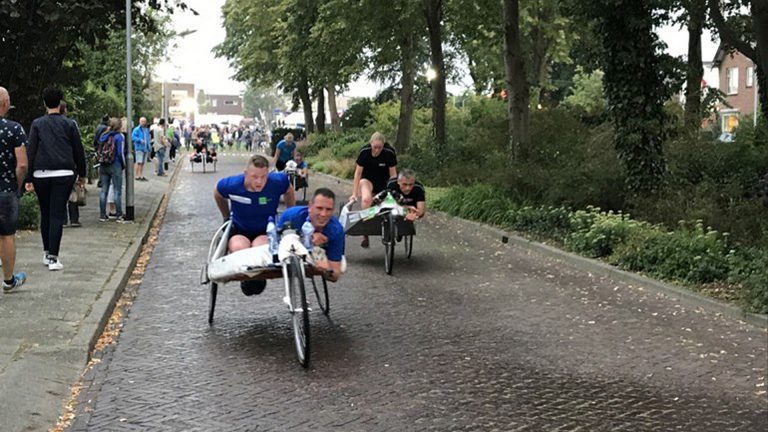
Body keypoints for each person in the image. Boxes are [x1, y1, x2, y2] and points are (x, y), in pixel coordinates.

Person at [214, 155, 295, 295]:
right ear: (246, 174)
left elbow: (289, 191)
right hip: (240, 230)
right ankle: (246, 277)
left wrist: (289, 214)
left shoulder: (277, 181)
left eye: (264, 177)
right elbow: (217, 193)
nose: (259, 181)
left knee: (261, 251)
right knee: (239, 249)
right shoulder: (231, 185)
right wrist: (226, 216)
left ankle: (258, 276)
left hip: (265, 230)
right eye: (254, 177)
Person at [25, 87, 87, 271]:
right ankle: (53, 257)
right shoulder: (70, 124)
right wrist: (82, 174)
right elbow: (78, 151)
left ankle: (46, 253)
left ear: (44, 103)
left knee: (45, 213)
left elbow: (31, 151)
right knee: (57, 214)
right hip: (64, 173)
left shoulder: (37, 124)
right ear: (60, 103)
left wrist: (28, 177)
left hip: (41, 173)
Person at [278, 188, 344, 282]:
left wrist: (326, 268)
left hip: (318, 256)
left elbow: (335, 275)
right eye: (319, 208)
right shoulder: (291, 216)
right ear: (310, 206)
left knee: (342, 265)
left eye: (328, 209)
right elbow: (275, 244)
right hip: (289, 250)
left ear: (333, 211)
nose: (323, 214)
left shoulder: (336, 230)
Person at [0, 86, 28, 290]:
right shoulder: (14, 129)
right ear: (5, 103)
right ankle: (9, 280)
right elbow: (22, 164)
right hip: (5, 188)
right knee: (6, 235)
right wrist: (16, 185)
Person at [350, 131, 397, 248]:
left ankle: (392, 228)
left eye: (379, 148)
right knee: (366, 200)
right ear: (370, 144)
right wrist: (354, 193)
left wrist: (394, 192)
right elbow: (358, 173)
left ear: (383, 145)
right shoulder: (364, 152)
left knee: (389, 205)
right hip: (367, 180)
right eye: (375, 147)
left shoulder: (389, 153)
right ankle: (365, 233)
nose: (377, 150)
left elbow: (393, 175)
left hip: (384, 182)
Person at [97, 118, 127, 222]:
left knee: (104, 190)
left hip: (103, 164)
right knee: (117, 191)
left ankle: (102, 215)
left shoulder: (104, 136)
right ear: (119, 126)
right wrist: (123, 165)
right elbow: (120, 153)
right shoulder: (119, 137)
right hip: (115, 164)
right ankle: (119, 215)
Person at [59, 101, 82, 228]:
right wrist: (81, 170)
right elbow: (77, 147)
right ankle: (74, 219)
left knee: (60, 193)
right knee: (72, 192)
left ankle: (62, 219)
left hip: (55, 163)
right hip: (70, 163)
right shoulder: (71, 124)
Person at [131, 117, 150, 181]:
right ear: (139, 121)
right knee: (138, 162)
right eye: (142, 121)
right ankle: (137, 175)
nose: (143, 123)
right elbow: (133, 137)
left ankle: (141, 175)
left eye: (144, 121)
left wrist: (148, 147)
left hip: (144, 148)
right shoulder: (137, 129)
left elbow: (147, 138)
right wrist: (139, 140)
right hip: (139, 148)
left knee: (142, 162)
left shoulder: (146, 129)